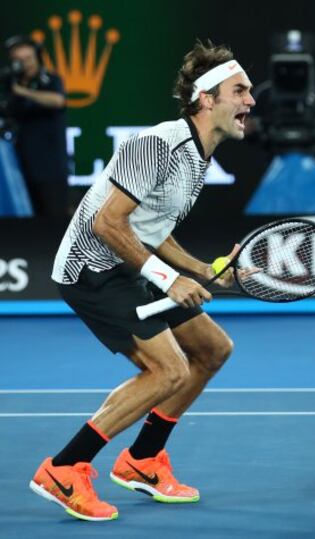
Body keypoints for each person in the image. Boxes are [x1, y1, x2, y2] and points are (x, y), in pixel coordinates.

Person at [29, 40, 256, 521]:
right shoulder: (157, 145)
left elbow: (151, 227)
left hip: (129, 263)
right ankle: (64, 468)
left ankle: (142, 460)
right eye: (241, 91)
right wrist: (169, 281)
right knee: (168, 370)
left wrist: (201, 270)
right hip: (91, 268)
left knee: (213, 349)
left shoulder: (198, 157)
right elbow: (107, 225)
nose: (250, 102)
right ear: (207, 99)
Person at [4, 35, 68, 216]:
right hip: (18, 167)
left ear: (37, 57)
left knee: (54, 220)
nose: (25, 64)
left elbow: (58, 100)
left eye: (28, 59)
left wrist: (23, 92)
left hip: (50, 168)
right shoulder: (9, 84)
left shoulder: (50, 80)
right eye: (18, 60)